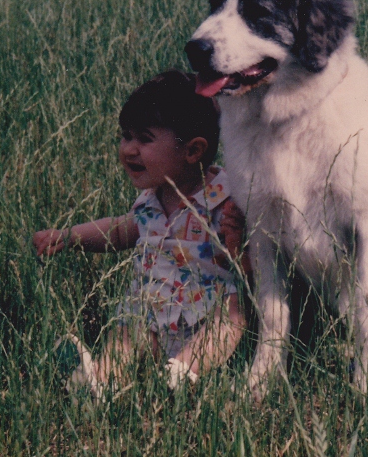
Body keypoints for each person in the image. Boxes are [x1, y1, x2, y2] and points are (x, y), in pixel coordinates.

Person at [33, 70, 249, 399]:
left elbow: (255, 272)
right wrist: (69, 236)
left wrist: (236, 247)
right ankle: (100, 385)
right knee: (126, 329)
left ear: (192, 151)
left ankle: (180, 373)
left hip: (204, 313)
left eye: (144, 138)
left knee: (230, 317)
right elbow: (120, 231)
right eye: (126, 135)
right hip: (151, 312)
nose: (129, 149)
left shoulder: (228, 199)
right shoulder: (151, 199)